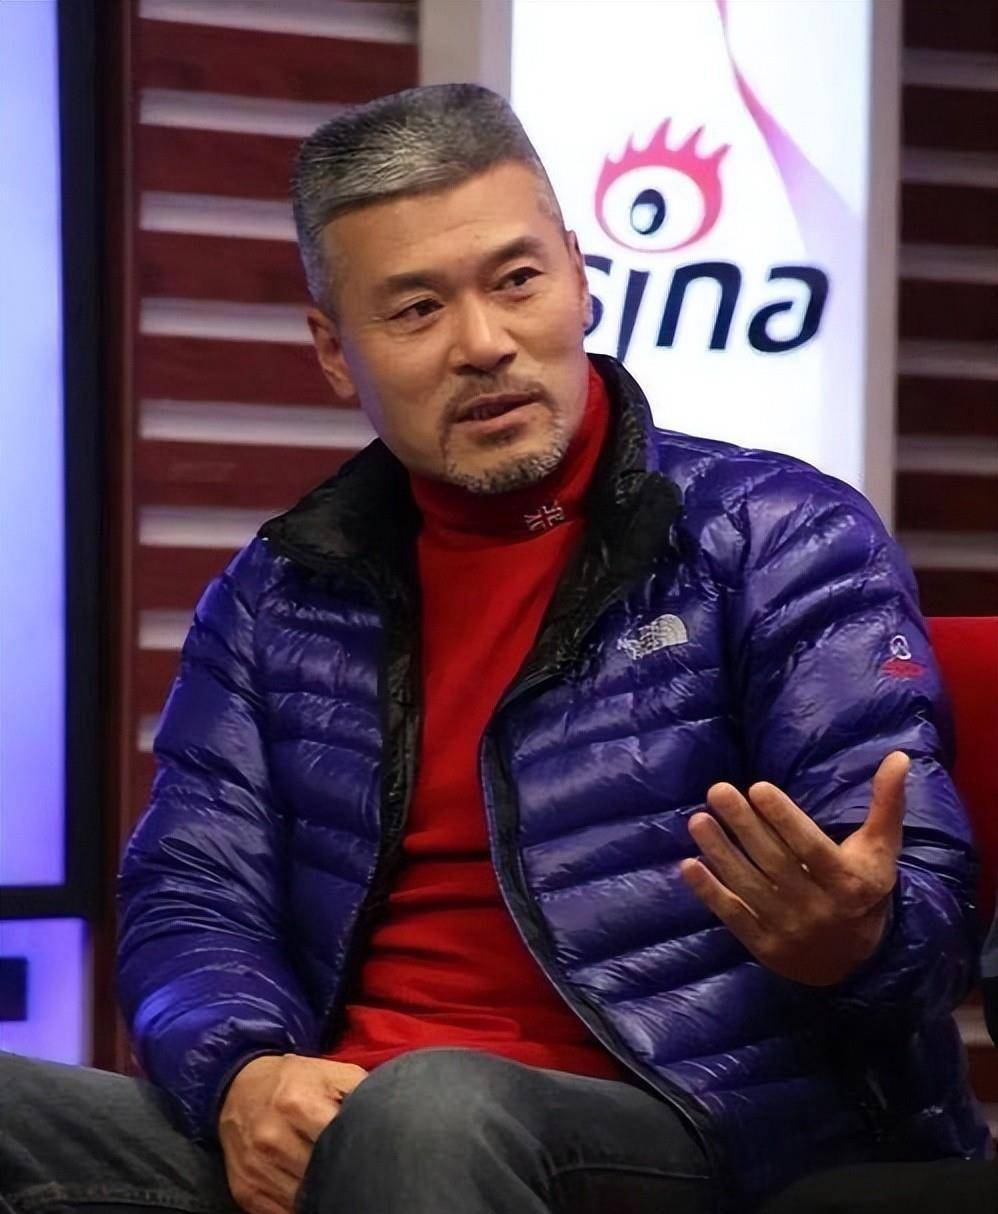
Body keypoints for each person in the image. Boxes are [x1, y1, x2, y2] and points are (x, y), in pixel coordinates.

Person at [1, 83, 991, 1214]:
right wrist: (243, 1071)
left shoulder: (775, 536)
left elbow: (918, 907)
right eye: (416, 309)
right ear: (333, 351)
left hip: (691, 1128)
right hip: (341, 1119)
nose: (483, 345)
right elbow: (190, 895)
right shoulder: (279, 595)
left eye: (517, 281)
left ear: (580, 277)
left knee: (428, 1109)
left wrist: (854, 938)